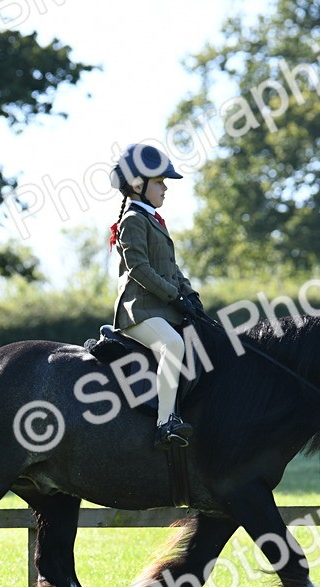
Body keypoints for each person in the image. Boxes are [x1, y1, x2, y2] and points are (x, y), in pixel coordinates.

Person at [108, 143, 205, 449]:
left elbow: (172, 270)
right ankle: (166, 423)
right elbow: (138, 268)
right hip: (139, 311)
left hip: (162, 309)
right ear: (138, 184)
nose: (165, 188)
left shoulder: (152, 220)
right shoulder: (132, 221)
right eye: (160, 182)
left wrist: (191, 296)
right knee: (173, 344)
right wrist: (174, 296)